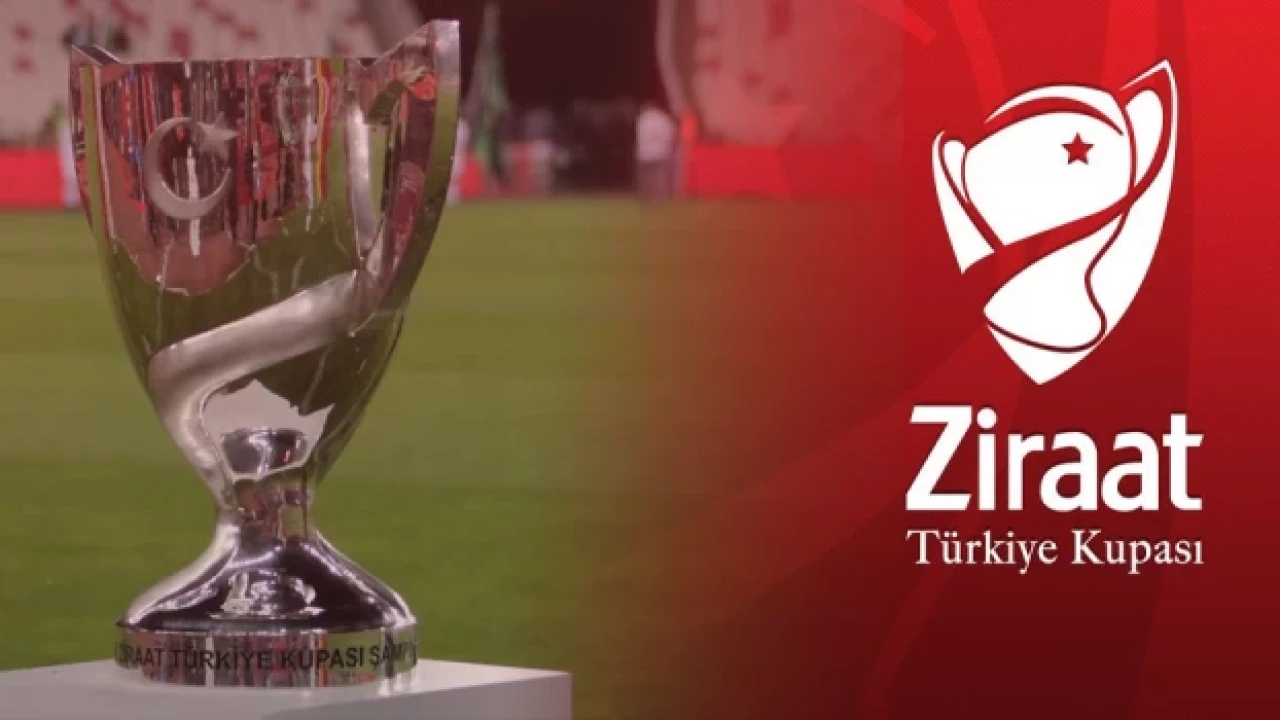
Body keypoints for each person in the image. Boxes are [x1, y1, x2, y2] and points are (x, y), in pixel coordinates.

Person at [635, 101, 677, 201]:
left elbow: (640, 136)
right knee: (659, 177)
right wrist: (668, 147)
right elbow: (671, 134)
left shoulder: (643, 119)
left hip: (645, 152)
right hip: (661, 152)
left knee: (646, 177)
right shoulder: (663, 118)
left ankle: (647, 197)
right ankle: (659, 198)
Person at [448, 117, 469, 205]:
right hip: (452, 153)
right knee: (450, 177)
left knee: (456, 178)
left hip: (458, 154)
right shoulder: (450, 124)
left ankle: (454, 197)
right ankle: (450, 197)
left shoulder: (462, 125)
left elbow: (464, 142)